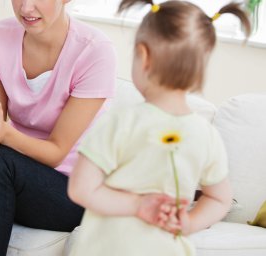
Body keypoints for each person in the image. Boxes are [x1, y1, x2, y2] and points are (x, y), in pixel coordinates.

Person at [0, 0, 118, 255]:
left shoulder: (94, 51)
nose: (26, 8)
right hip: (13, 173)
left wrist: (4, 134)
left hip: (74, 190)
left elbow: (56, 152)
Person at [68, 1, 251, 256]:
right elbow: (219, 199)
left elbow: (80, 189)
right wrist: (188, 223)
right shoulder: (207, 136)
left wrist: (138, 204)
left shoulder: (121, 122)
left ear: (143, 56)